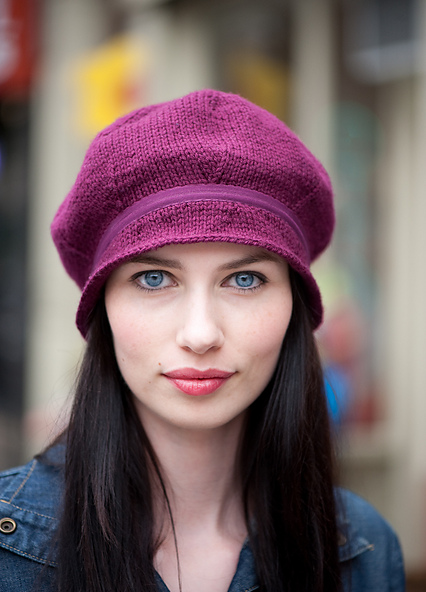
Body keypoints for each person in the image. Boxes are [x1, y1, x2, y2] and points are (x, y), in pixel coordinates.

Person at [0, 90, 404, 592]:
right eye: (153, 278)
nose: (200, 334)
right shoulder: (7, 554)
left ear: (294, 308)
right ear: (101, 306)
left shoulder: (363, 550)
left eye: (245, 280)